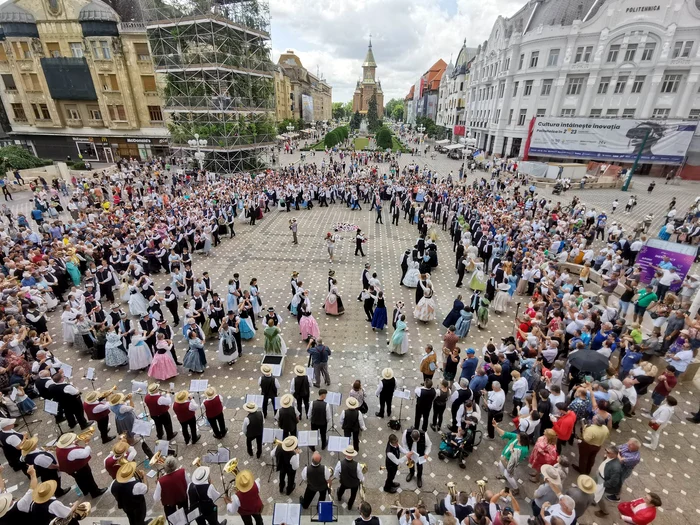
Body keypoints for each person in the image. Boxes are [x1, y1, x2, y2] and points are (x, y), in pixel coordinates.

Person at [55, 432, 107, 499]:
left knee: (79, 479)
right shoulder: (72, 452)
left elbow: (69, 446)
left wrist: (76, 441)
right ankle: (95, 492)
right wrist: (87, 444)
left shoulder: (59, 448)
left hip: (71, 469)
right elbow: (85, 453)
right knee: (88, 478)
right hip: (80, 468)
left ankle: (85, 491)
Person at [594, 445, 623, 518]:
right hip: (599, 476)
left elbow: (614, 481)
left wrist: (603, 485)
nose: (605, 452)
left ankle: (604, 511)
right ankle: (593, 499)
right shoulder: (609, 457)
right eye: (606, 450)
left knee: (600, 497)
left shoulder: (616, 467)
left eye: (608, 452)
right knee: (594, 488)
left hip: (604, 481)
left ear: (614, 454)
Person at [334, 445, 364, 511]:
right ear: (353, 455)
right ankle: (350, 506)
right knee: (353, 495)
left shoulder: (340, 463)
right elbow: (360, 476)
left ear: (345, 454)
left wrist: (340, 477)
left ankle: (339, 497)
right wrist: (362, 480)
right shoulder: (357, 465)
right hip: (354, 484)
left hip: (344, 482)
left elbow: (335, 474)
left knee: (341, 489)